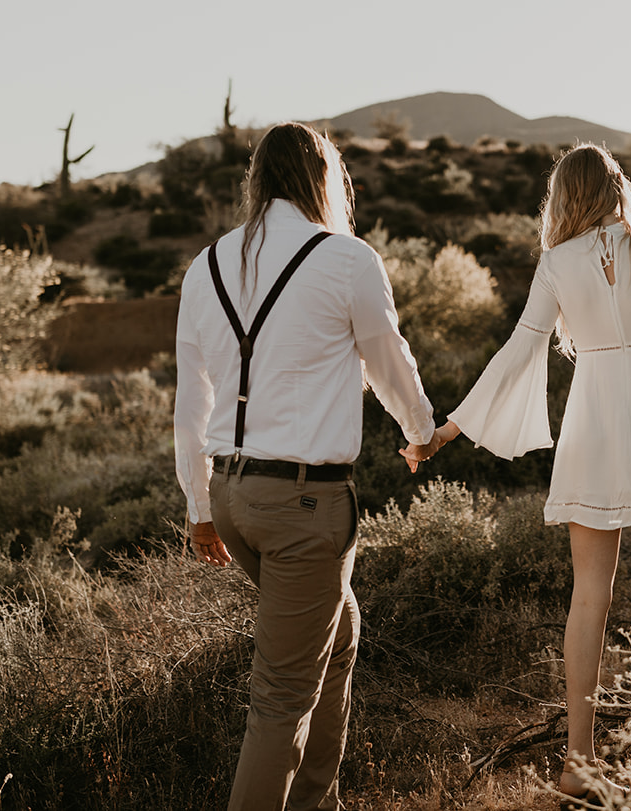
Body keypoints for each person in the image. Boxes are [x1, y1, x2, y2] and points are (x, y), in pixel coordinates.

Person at [401, 142, 631, 802]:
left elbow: (520, 348)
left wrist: (449, 428)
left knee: (589, 589)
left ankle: (578, 761)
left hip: (594, 426)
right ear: (617, 186)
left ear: (562, 199)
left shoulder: (555, 264)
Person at [175, 122, 436, 811]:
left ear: (256, 180)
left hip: (233, 499)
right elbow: (390, 362)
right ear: (325, 179)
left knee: (340, 632)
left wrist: (200, 508)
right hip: (303, 508)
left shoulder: (205, 266)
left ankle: (317, 802)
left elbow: (189, 401)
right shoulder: (346, 258)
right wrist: (421, 432)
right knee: (280, 700)